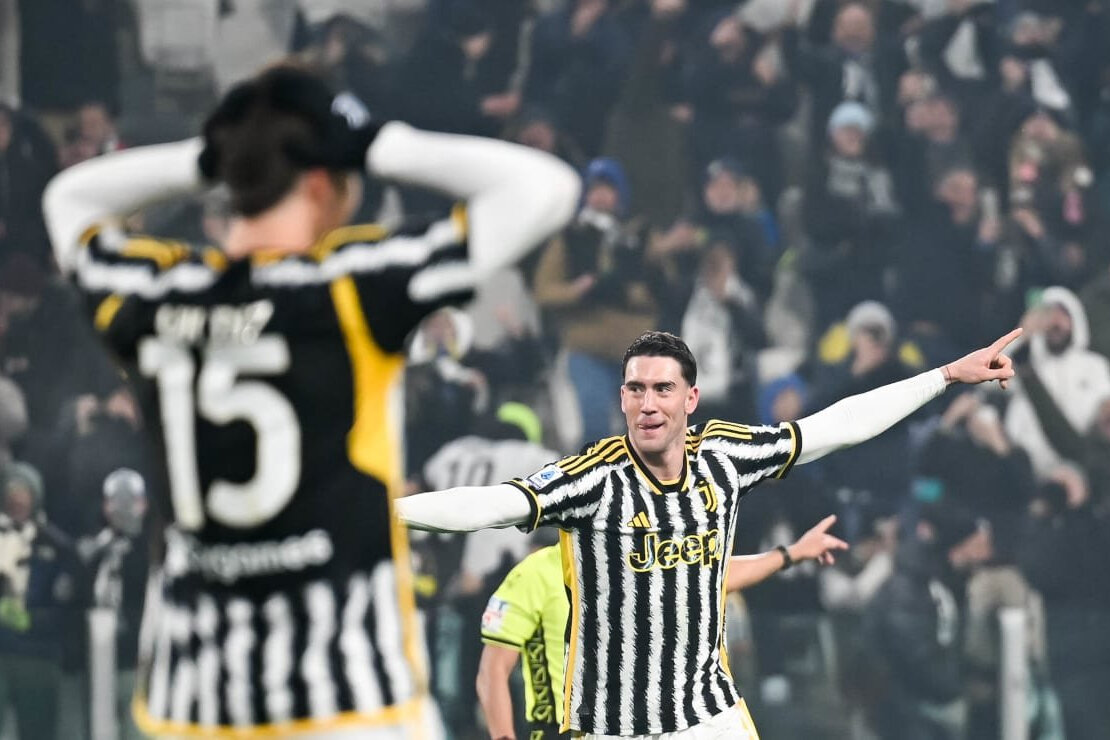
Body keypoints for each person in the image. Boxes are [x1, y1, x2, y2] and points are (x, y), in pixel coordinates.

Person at [42, 65, 580, 738]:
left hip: (196, 704)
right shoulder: (350, 287)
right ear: (323, 183)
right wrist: (375, 142)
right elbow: (546, 189)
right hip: (348, 700)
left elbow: (68, 199)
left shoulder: (156, 295)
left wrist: (215, 156)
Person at [399, 327, 1022, 738]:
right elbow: (491, 504)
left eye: (663, 389)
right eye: (636, 389)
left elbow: (837, 426)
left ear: (691, 399)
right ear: (622, 398)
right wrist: (385, 514)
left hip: (708, 718)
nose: (648, 403)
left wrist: (944, 376)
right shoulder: (592, 479)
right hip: (615, 726)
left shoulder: (724, 456)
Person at [476, 516, 847, 740]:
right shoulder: (535, 571)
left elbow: (712, 574)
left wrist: (789, 554)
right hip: (562, 728)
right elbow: (493, 669)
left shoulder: (633, 556)